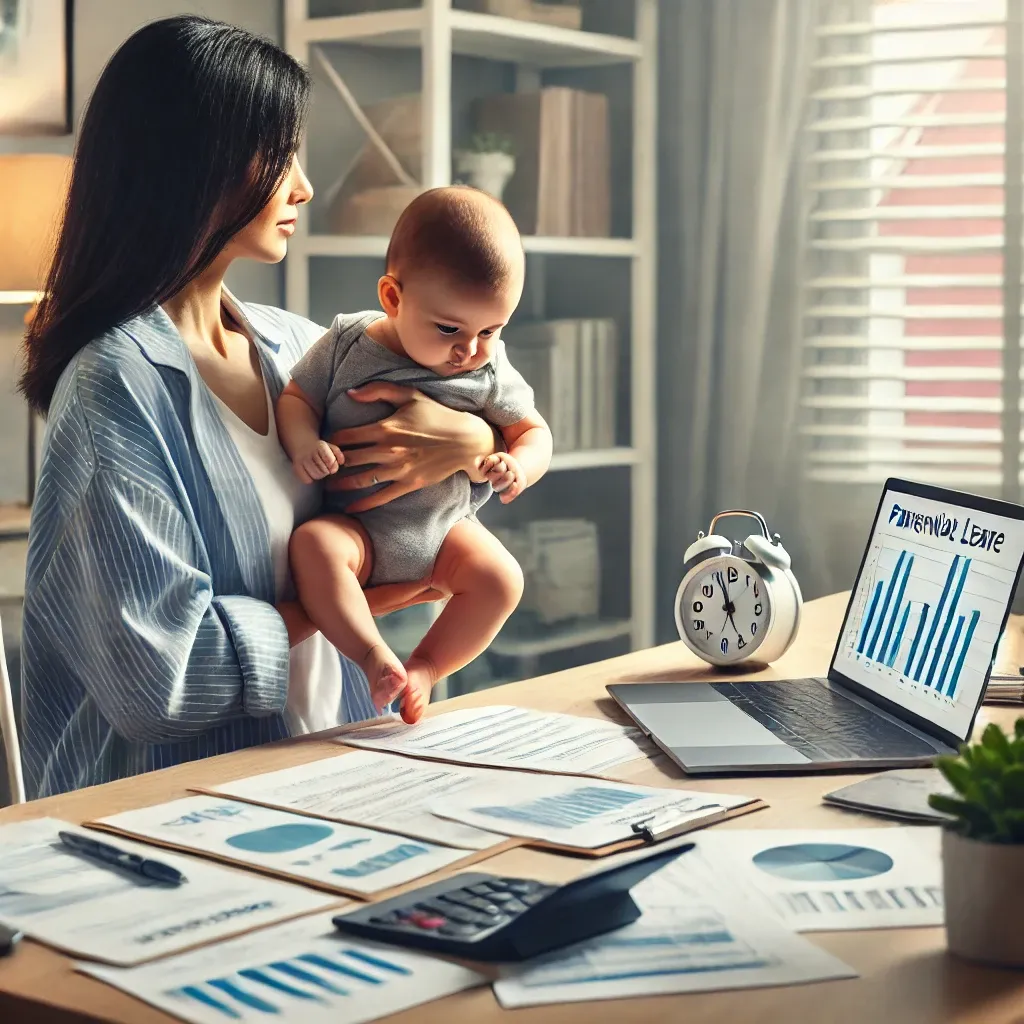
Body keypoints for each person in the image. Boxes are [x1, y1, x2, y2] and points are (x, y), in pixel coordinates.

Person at [17, 16, 507, 799]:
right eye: (282, 156)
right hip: (173, 816)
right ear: (196, 164)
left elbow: (439, 489)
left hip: (333, 774)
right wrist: (359, 605)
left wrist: (470, 434)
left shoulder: (297, 347)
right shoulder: (114, 385)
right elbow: (159, 683)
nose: (305, 186)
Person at [277, 187, 553, 725]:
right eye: (449, 329)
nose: (469, 350)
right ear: (393, 298)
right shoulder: (346, 344)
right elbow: (295, 398)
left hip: (445, 529)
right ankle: (373, 656)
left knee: (502, 579)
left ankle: (424, 667)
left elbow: (534, 432)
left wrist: (519, 464)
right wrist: (304, 442)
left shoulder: (488, 372)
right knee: (313, 547)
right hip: (360, 528)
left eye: (491, 331)